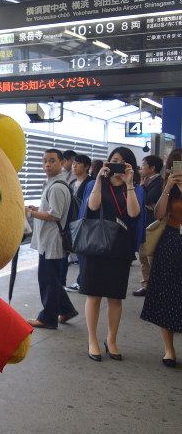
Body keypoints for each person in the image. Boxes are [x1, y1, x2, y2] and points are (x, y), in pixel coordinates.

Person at [78, 147, 144, 361]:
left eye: (123, 162)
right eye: (113, 161)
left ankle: (112, 340)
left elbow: (134, 213)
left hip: (120, 248)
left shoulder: (133, 188)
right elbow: (93, 205)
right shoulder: (94, 184)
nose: (117, 165)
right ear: (106, 163)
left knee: (115, 298)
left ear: (130, 167)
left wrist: (130, 184)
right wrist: (98, 179)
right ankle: (92, 340)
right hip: (96, 246)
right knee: (94, 295)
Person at [25, 149, 78, 329]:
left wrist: (31, 213)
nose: (47, 164)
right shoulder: (53, 184)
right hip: (49, 240)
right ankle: (66, 310)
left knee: (48, 281)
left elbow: (55, 215)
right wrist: (37, 208)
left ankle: (48, 318)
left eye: (52, 161)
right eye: (45, 161)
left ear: (62, 163)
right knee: (52, 279)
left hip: (52, 241)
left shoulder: (56, 187)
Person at [139, 151, 182, 367]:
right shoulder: (169, 186)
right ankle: (169, 349)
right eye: (175, 166)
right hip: (171, 243)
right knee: (166, 295)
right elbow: (158, 214)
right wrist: (168, 188)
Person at [132, 154, 165, 297]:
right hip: (144, 223)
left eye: (144, 165)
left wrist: (142, 187)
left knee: (152, 257)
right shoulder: (145, 182)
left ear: (152, 168)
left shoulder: (160, 182)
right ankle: (146, 285)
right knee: (143, 257)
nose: (141, 167)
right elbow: (141, 201)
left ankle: (155, 286)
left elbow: (149, 199)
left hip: (154, 225)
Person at [64, 153, 93, 292]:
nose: (74, 166)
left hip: (85, 224)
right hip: (73, 224)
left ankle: (82, 282)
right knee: (79, 253)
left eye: (78, 163)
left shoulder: (90, 183)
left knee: (83, 254)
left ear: (86, 166)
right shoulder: (71, 183)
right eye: (73, 163)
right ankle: (84, 281)